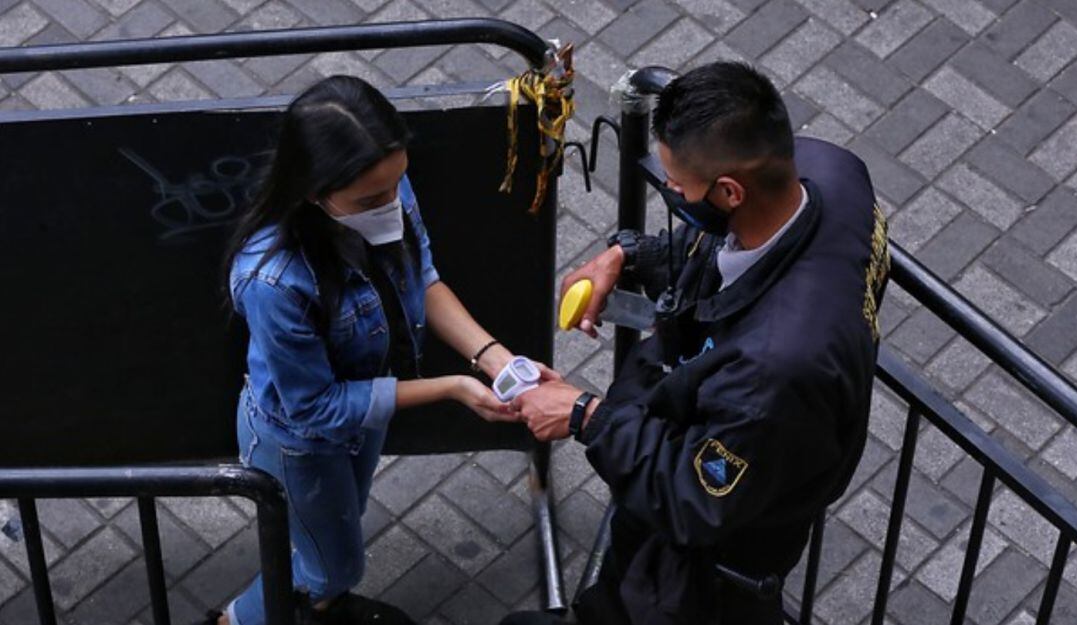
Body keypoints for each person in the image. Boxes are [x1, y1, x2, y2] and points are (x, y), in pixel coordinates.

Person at [506, 61, 890, 624]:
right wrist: (630, 256)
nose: (673, 195)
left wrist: (586, 416)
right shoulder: (828, 171)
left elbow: (694, 498)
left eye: (679, 188)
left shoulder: (774, 371)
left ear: (730, 190)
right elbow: (717, 252)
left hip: (707, 567)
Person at [203, 75, 548, 625]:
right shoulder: (273, 281)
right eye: (371, 198)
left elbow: (423, 276)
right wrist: (454, 387)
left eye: (398, 184)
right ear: (313, 192)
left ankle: (313, 602)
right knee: (331, 568)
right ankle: (239, 619)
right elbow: (313, 409)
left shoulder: (381, 188)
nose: (393, 204)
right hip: (300, 441)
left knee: (333, 530)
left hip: (360, 416)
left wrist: (494, 358)